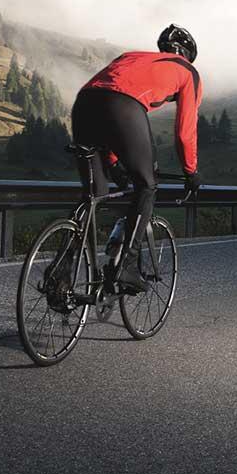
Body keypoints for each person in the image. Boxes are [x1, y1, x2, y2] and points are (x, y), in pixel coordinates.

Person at [71, 24, 202, 292]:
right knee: (147, 185)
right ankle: (126, 269)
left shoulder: (131, 57)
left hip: (84, 103)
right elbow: (185, 131)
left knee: (94, 194)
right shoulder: (187, 71)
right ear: (188, 55)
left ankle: (60, 274)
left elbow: (106, 104)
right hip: (124, 107)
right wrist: (191, 171)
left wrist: (112, 161)